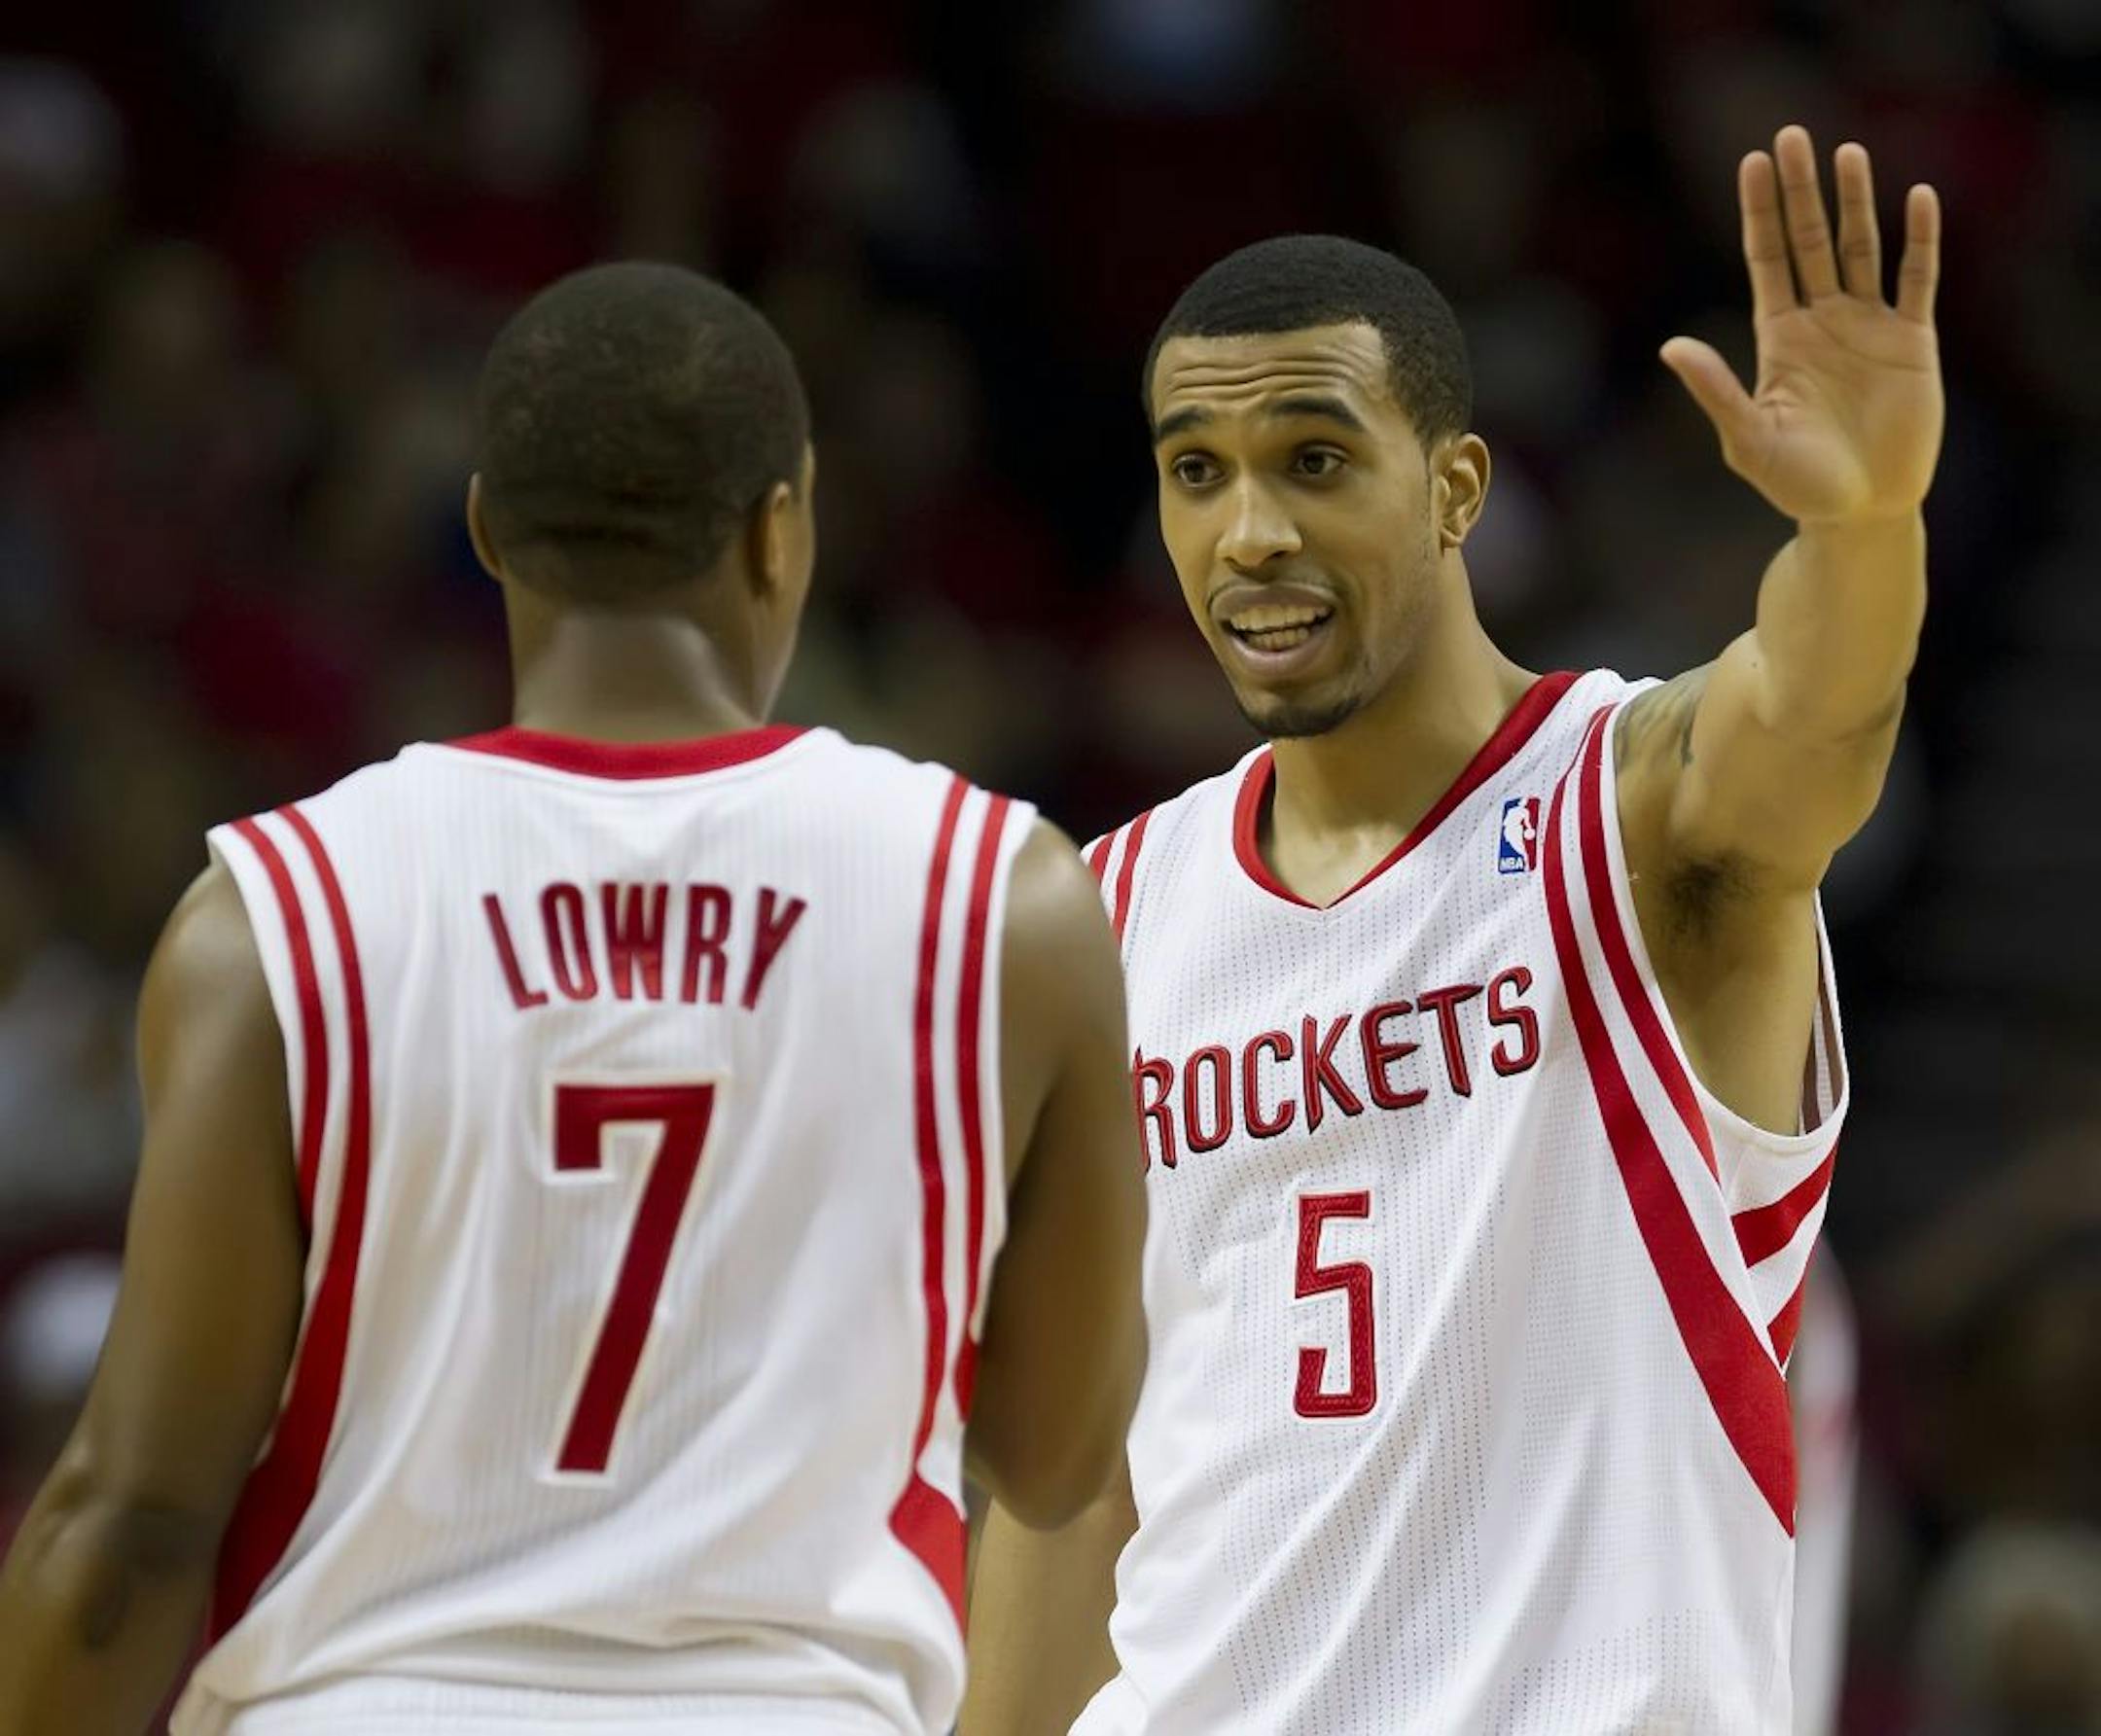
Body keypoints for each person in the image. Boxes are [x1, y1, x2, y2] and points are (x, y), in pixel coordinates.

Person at [0, 262, 1146, 1736]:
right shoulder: (1010, 903)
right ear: (783, 530)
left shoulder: (275, 917)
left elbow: (130, 1521)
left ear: (484, 527)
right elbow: (1056, 1455)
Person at [966, 124, 1940, 1733]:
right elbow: (1072, 1486)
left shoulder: (1631, 813)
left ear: (1458, 487)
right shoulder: (1109, 913)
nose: (1250, 533)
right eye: (1196, 473)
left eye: (1316, 459)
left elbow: (1817, 718)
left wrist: (1865, 531)